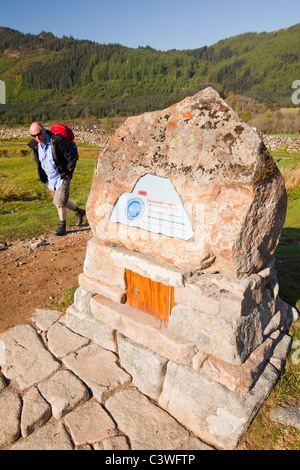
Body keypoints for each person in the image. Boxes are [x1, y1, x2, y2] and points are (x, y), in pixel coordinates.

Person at [28, 122, 86, 236]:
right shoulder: (35, 145)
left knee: (60, 203)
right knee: (60, 202)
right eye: (33, 136)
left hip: (62, 176)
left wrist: (68, 173)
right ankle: (79, 212)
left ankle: (62, 227)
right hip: (50, 179)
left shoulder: (57, 141)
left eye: (39, 134)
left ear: (44, 130)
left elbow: (72, 157)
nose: (37, 137)